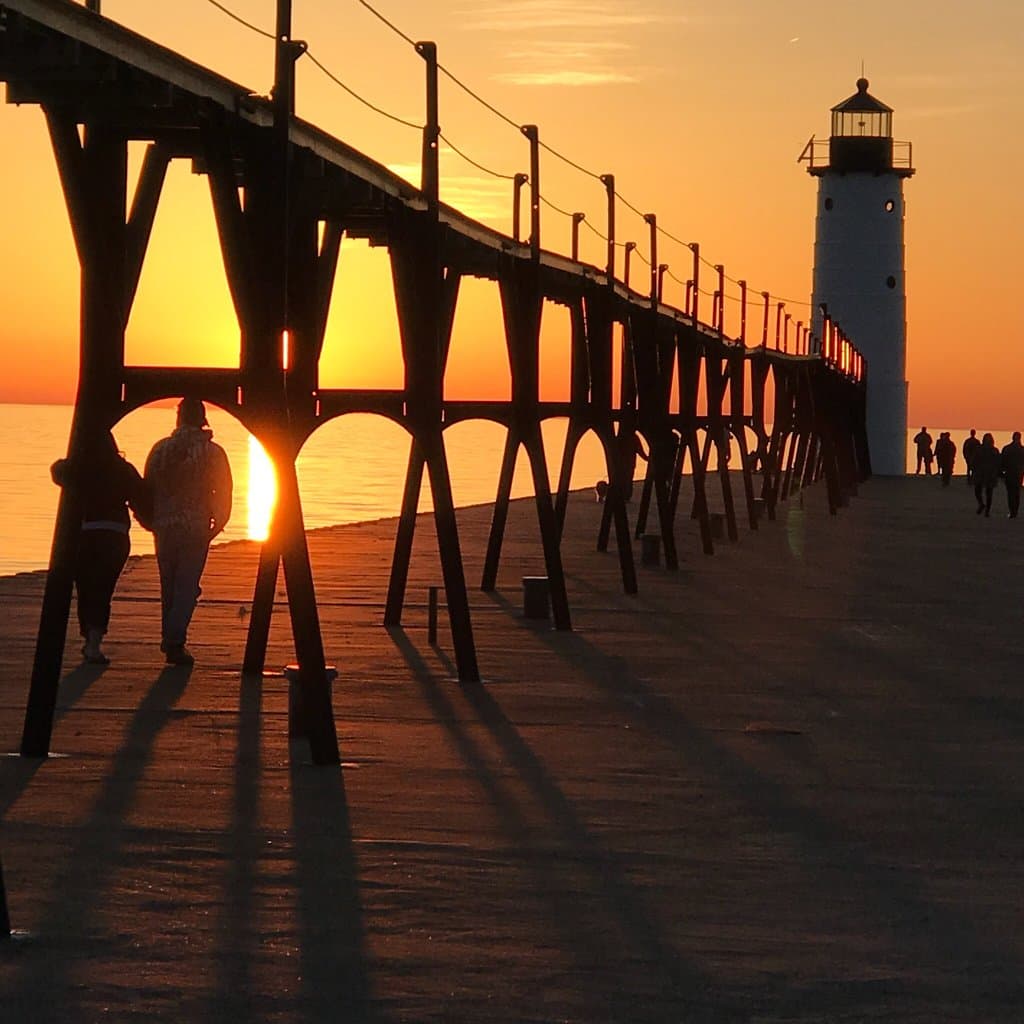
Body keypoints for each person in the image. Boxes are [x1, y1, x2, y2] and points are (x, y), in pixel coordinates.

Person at [144, 398, 232, 665]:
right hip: (195, 526)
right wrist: (218, 524)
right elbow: (224, 492)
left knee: (168, 585)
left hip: (164, 525)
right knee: (187, 586)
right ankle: (174, 639)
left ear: (179, 418)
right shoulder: (213, 452)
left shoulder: (160, 449)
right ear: (203, 419)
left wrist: (150, 521)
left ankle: (171, 639)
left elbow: (148, 488)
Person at [50, 430, 150, 665]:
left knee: (85, 587)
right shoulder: (123, 469)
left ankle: (89, 639)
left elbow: (56, 471)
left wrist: (72, 459)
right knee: (104, 589)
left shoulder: (78, 469)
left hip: (85, 534)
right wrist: (151, 523)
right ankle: (93, 642)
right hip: (115, 535)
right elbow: (142, 496)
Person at [971, 432, 1001, 518]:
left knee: (988, 492)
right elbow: (974, 460)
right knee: (978, 491)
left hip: (989, 474)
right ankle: (982, 504)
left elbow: (998, 462)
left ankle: (987, 510)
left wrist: (999, 472)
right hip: (982, 473)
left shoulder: (994, 450)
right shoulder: (979, 449)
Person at [1000, 431, 1024, 519]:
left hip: (1010, 473)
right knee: (1016, 493)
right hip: (1018, 474)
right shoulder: (1022, 449)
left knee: (1011, 493)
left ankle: (1012, 511)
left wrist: (1001, 472)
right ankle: (1015, 511)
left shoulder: (1007, 448)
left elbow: (1002, 461)